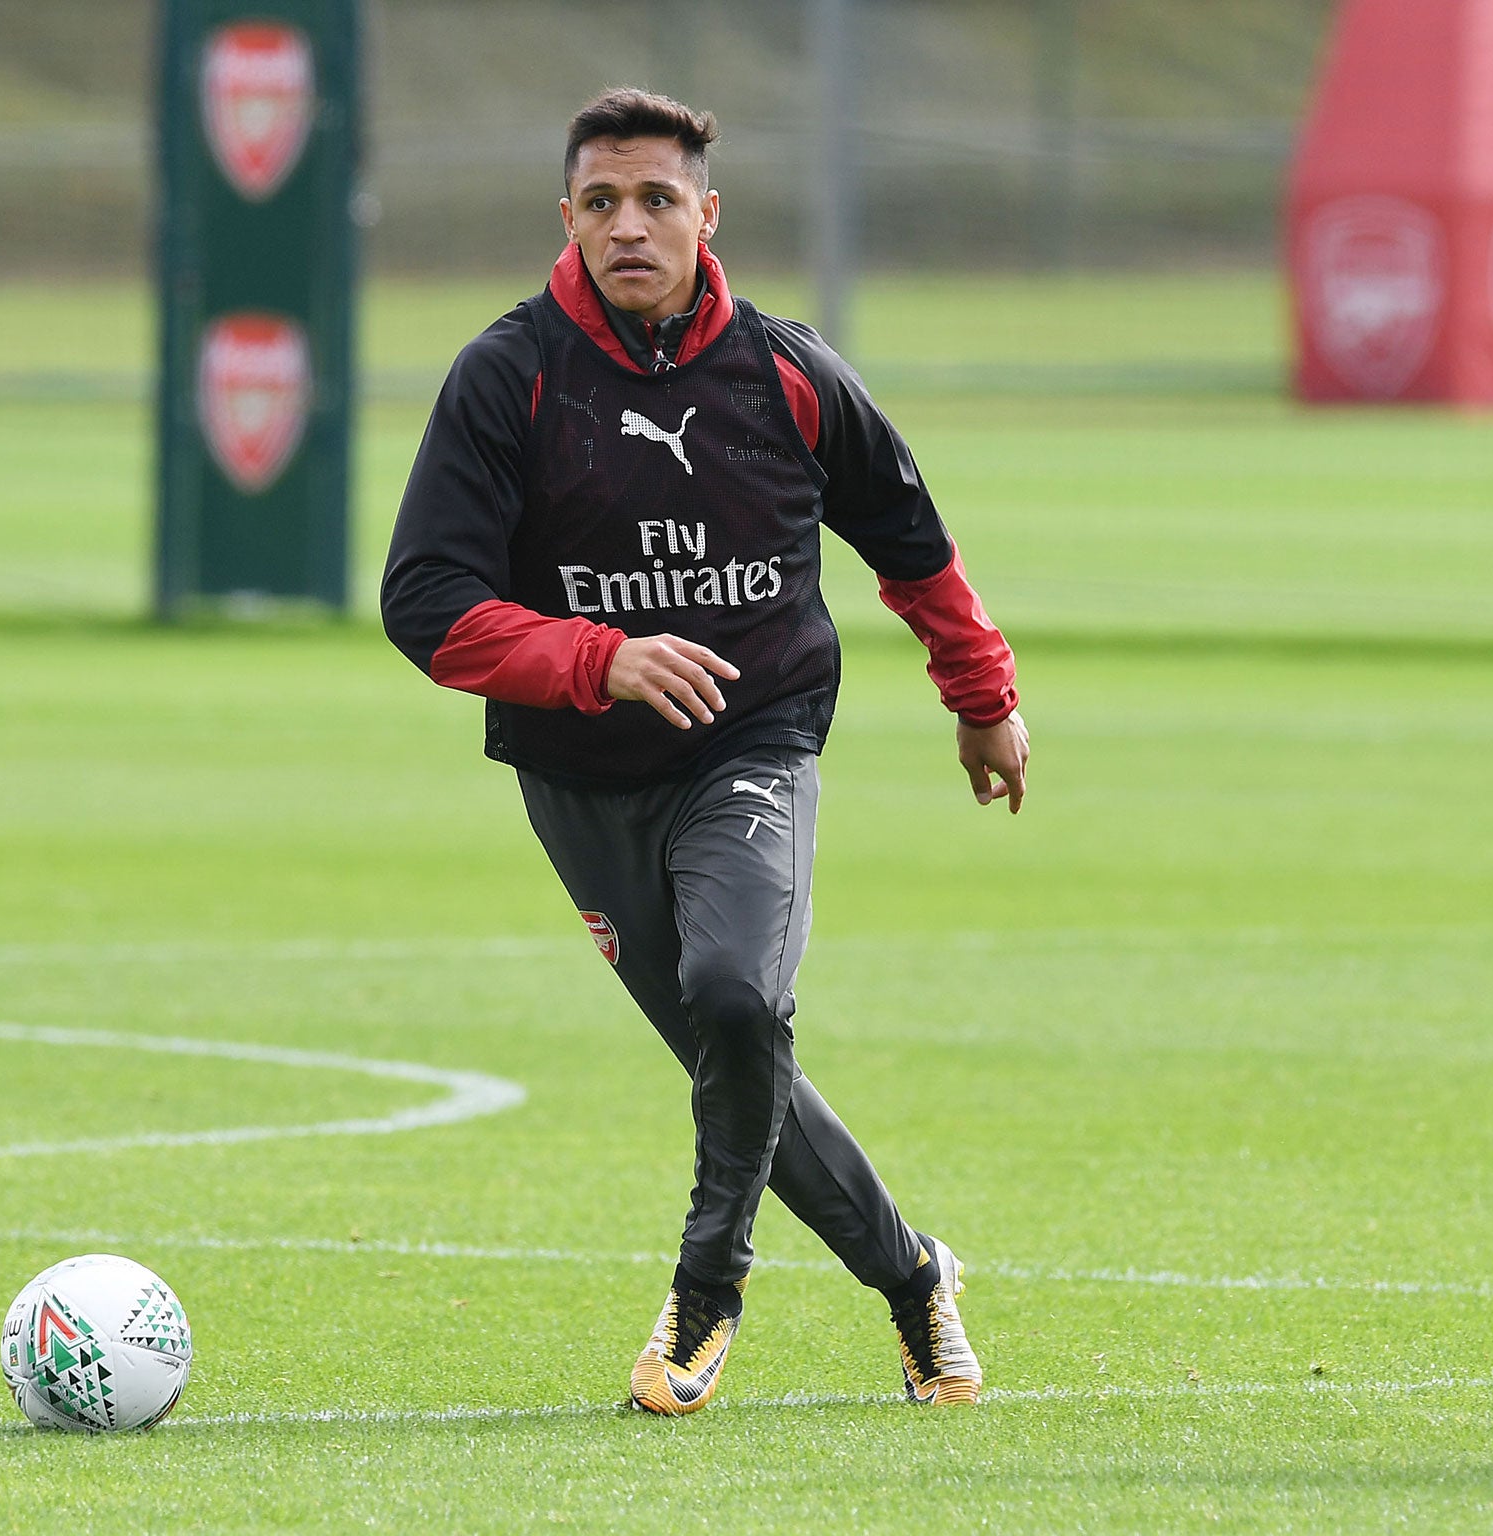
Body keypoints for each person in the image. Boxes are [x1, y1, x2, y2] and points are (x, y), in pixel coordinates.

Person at [381, 88, 1028, 1415]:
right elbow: (425, 607)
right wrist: (597, 657)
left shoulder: (786, 371)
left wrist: (983, 692)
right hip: (580, 777)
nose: (631, 225)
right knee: (734, 1058)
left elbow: (913, 546)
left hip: (755, 737)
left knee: (739, 996)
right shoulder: (506, 378)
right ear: (567, 217)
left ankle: (705, 1295)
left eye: (657, 200)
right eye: (604, 202)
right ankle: (914, 1280)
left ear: (705, 216)